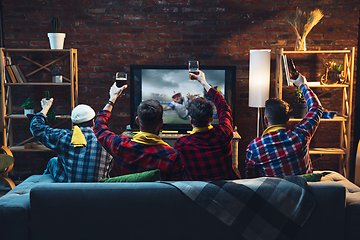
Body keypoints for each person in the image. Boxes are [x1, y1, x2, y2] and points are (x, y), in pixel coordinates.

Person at [93, 83, 184, 181]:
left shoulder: (120, 145)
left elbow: (99, 127)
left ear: (137, 121)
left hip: (122, 196)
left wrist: (112, 99)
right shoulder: (172, 156)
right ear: (161, 123)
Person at [245, 73, 323, 178]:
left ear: (265, 120)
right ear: (287, 119)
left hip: (274, 194)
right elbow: (316, 107)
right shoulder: (301, 133)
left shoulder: (254, 147)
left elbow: (251, 180)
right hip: (303, 192)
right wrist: (302, 84)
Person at [174, 70, 240, 181]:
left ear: (191, 122)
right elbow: (224, 107)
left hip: (197, 194)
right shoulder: (223, 133)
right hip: (228, 191)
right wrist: (204, 83)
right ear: (211, 118)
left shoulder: (181, 144)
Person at [29, 100, 114, 182]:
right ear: (93, 122)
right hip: (98, 191)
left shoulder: (64, 137)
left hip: (69, 190)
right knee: (53, 161)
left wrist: (46, 107)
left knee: (53, 161)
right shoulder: (105, 139)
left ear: (73, 123)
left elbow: (37, 128)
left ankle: (45, 190)